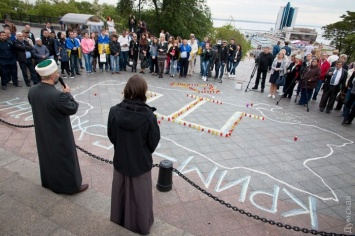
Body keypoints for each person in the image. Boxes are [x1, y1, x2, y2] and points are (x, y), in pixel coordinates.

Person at [108, 75, 160, 235]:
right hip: (140, 162)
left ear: (127, 90)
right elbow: (153, 141)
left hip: (121, 159)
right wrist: (141, 151)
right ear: (143, 92)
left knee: (120, 192)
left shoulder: (114, 111)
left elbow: (112, 136)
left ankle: (119, 219)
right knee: (140, 196)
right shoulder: (149, 116)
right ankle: (141, 225)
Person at [28, 59, 88, 194]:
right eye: (57, 73)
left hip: (43, 131)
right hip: (59, 133)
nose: (58, 75)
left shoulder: (32, 91)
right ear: (52, 76)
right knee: (66, 159)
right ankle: (72, 187)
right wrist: (67, 93)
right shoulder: (57, 95)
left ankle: (49, 182)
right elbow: (73, 108)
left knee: (47, 157)